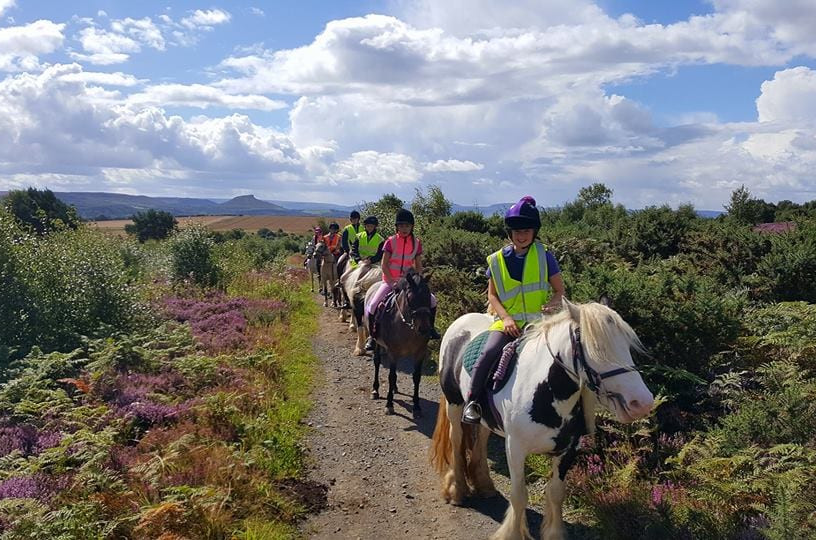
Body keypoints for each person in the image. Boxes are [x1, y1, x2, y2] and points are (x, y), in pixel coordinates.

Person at [461, 196, 566, 425]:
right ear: (509, 233)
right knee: (487, 354)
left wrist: (553, 303)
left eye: (527, 229)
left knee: (568, 356)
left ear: (534, 231)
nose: (522, 235)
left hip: (539, 324)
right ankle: (473, 402)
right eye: (517, 230)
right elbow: (492, 296)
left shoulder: (545, 256)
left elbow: (559, 290)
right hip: (507, 324)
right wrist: (506, 318)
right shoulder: (497, 260)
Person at [364, 208, 440, 351]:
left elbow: (418, 265)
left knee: (432, 300)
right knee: (373, 305)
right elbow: (384, 264)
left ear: (412, 226)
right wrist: (392, 281)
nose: (404, 229)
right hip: (390, 281)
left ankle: (430, 329)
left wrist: (418, 281)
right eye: (401, 226)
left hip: (408, 283)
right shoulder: (390, 242)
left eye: (407, 226)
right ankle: (372, 336)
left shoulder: (417, 243)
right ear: (397, 227)